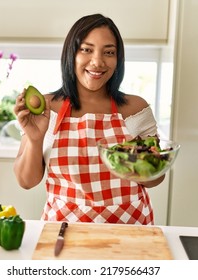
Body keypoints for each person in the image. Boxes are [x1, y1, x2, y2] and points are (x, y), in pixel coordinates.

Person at [13, 13, 164, 225]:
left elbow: (155, 179)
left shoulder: (136, 109)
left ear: (118, 59)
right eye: (86, 49)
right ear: (71, 53)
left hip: (130, 230)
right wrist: (35, 139)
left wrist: (141, 162)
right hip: (64, 231)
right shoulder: (46, 109)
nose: (97, 62)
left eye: (108, 52)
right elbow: (26, 181)